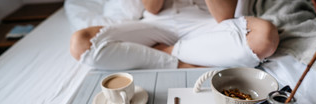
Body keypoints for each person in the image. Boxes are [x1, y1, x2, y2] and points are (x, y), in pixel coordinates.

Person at [66, 0, 279, 70]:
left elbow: (223, 17)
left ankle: (166, 52)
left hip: (205, 24)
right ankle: (184, 63)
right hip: (158, 22)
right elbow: (153, 6)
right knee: (81, 44)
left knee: (264, 38)